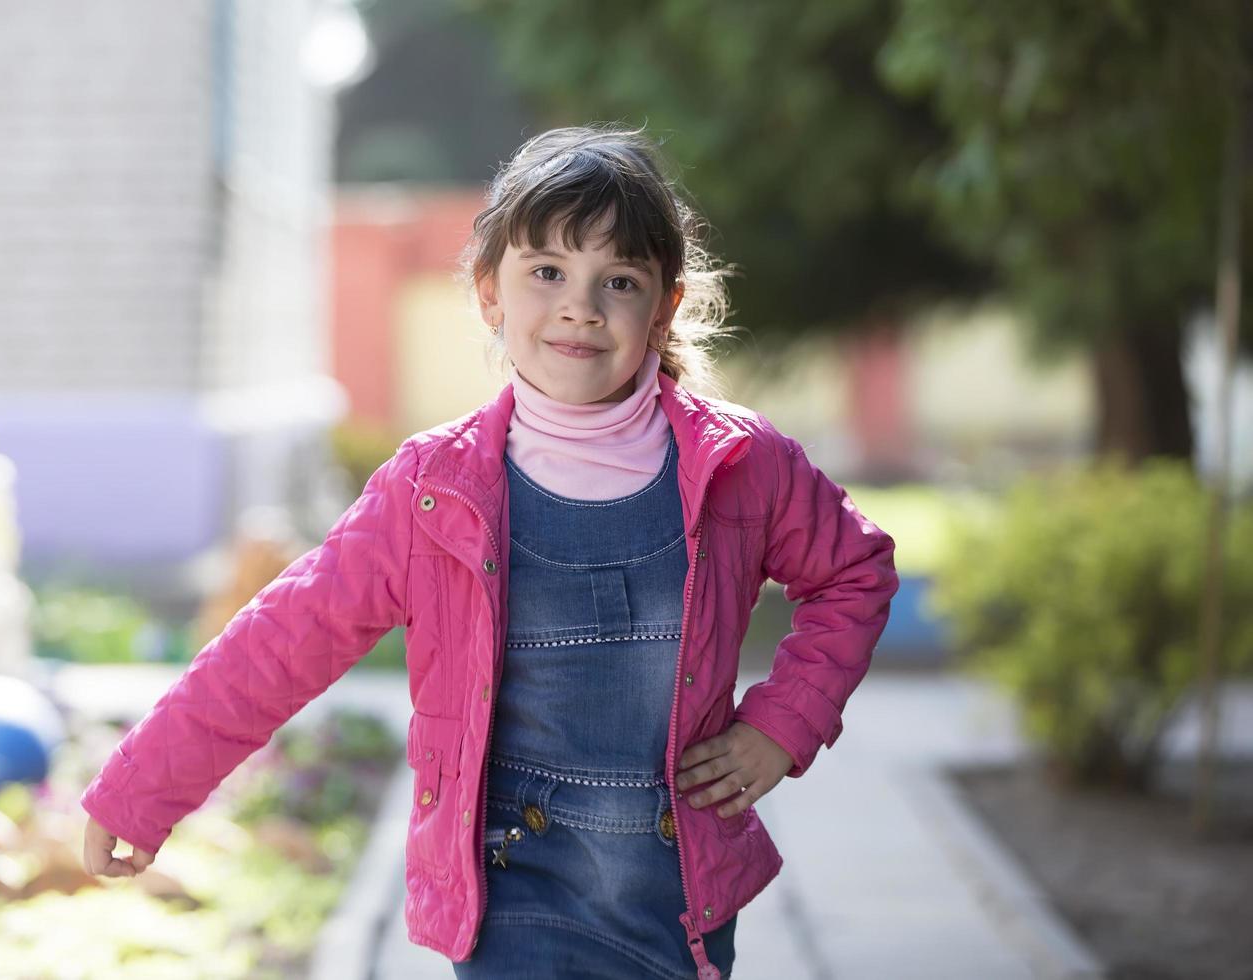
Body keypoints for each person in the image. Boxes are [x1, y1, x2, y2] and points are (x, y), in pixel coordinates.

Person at [80, 124, 898, 980]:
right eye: (547, 272)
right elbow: (281, 642)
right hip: (508, 891)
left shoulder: (741, 465)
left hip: (674, 896)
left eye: (618, 281)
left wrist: (782, 724)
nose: (580, 306)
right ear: (489, 294)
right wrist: (142, 789)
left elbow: (854, 571)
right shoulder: (433, 493)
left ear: (664, 306)